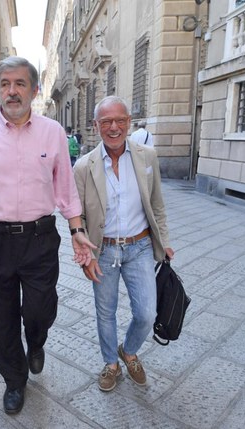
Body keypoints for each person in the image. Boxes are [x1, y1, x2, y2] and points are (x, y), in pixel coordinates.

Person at [0, 56, 95, 415]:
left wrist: (77, 229)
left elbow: (65, 188)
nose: (12, 91)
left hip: (40, 237)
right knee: (2, 316)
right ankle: (14, 381)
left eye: (20, 84)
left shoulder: (52, 132)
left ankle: (37, 340)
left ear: (34, 89)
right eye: (5, 84)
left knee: (40, 310)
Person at [73, 96, 174, 392]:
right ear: (96, 126)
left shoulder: (147, 157)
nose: (113, 127)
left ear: (129, 122)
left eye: (119, 120)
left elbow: (157, 204)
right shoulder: (83, 167)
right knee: (105, 311)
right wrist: (84, 252)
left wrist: (164, 241)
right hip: (102, 249)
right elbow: (76, 215)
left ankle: (128, 351)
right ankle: (111, 363)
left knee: (146, 313)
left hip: (140, 246)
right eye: (106, 122)